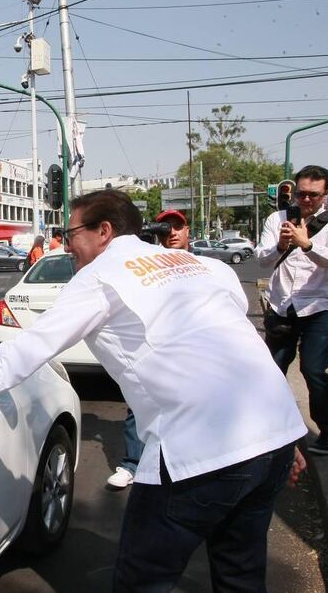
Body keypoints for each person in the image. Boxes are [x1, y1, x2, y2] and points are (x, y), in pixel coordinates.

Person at [0, 190, 307, 591]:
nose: (67, 246)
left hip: (198, 453)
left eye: (71, 234)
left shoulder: (102, 276)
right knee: (241, 573)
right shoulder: (201, 265)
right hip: (273, 439)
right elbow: (242, 347)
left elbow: (26, 350)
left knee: (142, 580)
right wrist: (284, 437)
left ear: (104, 231)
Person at [255, 165, 328, 455]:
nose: (306, 200)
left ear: (327, 193)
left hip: (320, 306)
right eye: (301, 194)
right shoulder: (277, 219)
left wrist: (306, 245)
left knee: (313, 370)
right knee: (272, 369)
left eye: (313, 195)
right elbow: (261, 259)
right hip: (282, 305)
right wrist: (281, 245)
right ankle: (271, 425)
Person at [108, 209, 191, 489]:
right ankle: (133, 463)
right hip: (152, 347)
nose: (172, 233)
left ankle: (185, 464)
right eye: (165, 228)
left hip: (190, 350)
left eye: (177, 226)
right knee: (138, 404)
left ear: (187, 230)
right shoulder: (146, 264)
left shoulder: (202, 264)